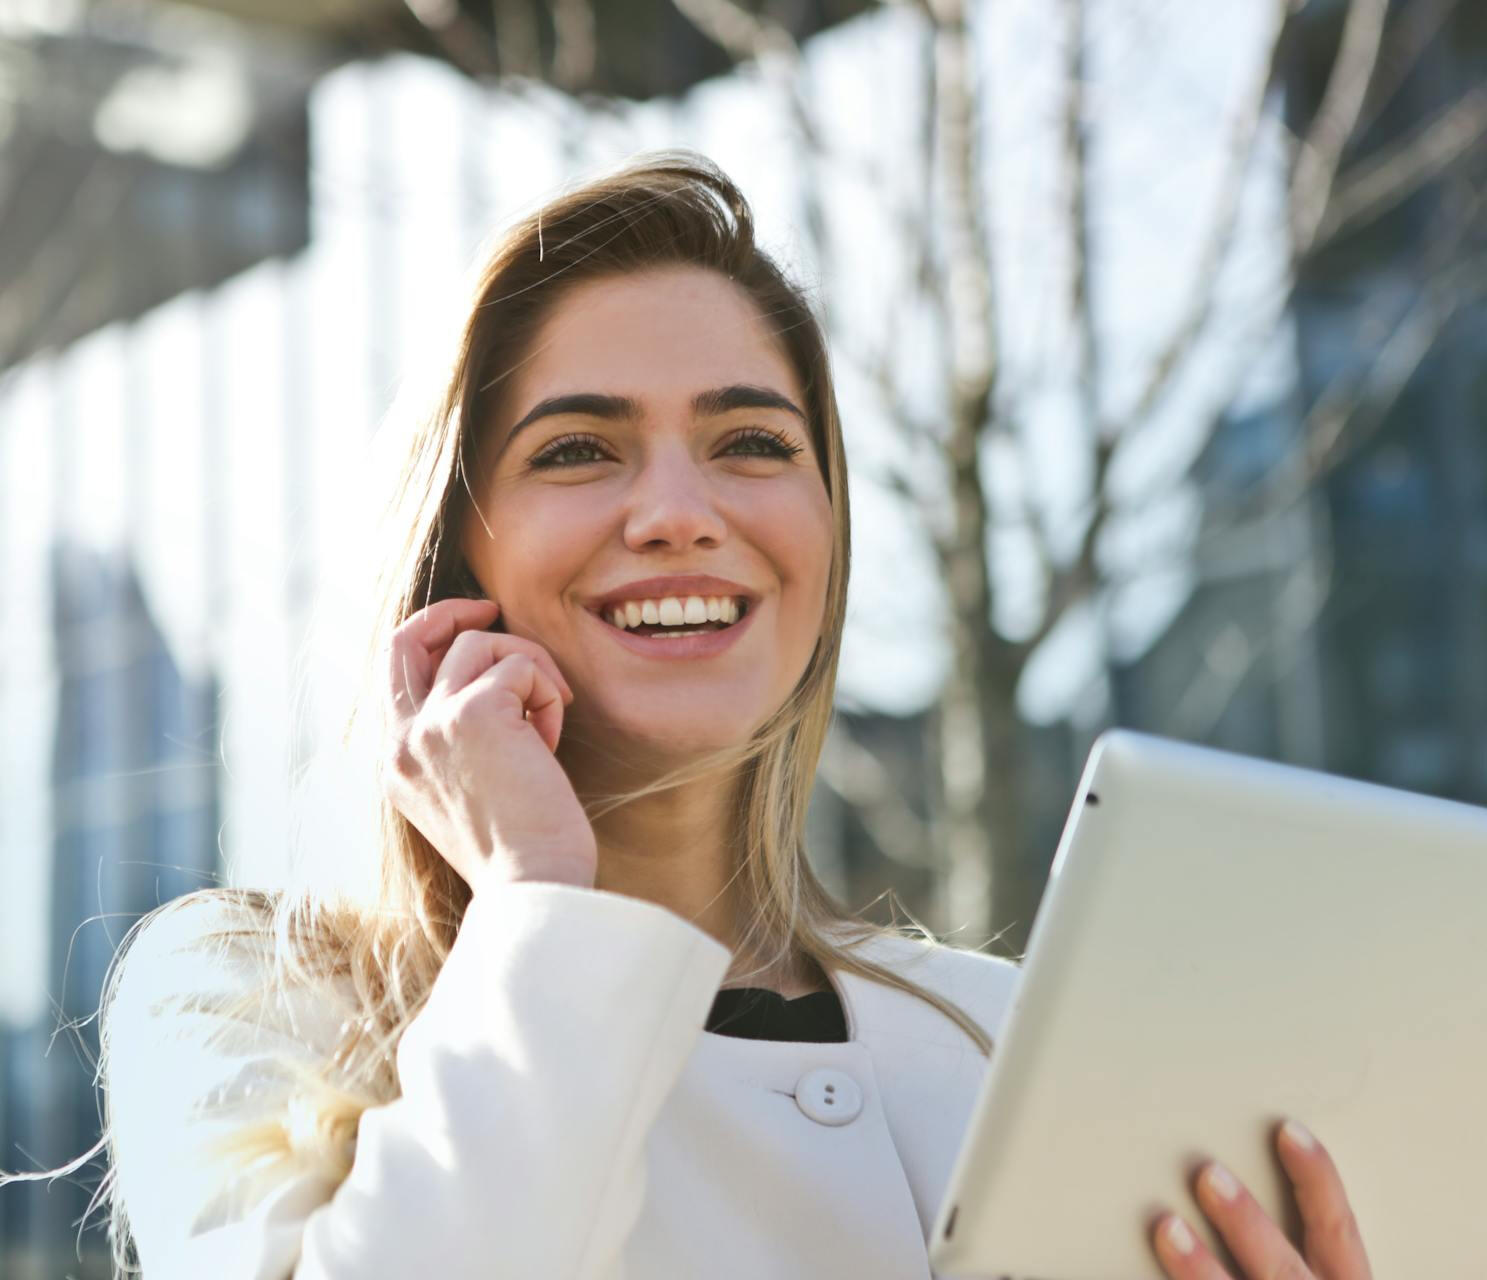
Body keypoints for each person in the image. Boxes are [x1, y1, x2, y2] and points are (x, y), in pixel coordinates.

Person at [25, 152, 1371, 1279]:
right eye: (578, 448)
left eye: (752, 443)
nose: (679, 511)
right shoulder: (251, 999)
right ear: (453, 559)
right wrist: (539, 900)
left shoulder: (996, 1035)